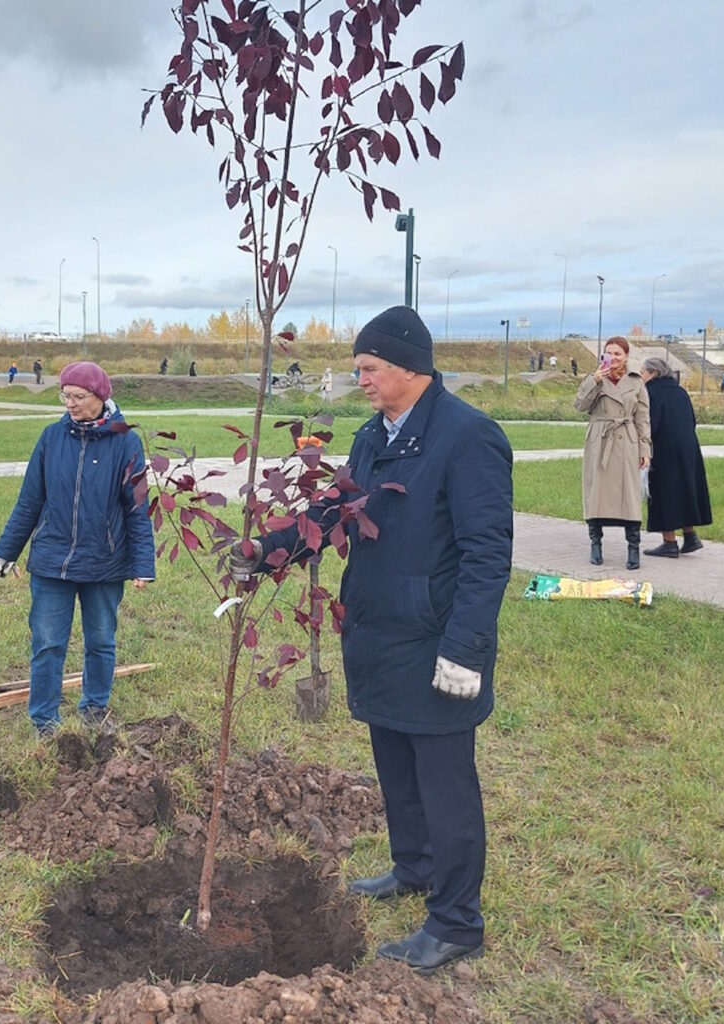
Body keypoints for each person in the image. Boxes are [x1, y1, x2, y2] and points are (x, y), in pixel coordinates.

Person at [231, 306, 513, 974]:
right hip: (376, 630)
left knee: (444, 782)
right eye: (358, 367)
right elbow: (334, 512)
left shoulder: (467, 437)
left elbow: (486, 553)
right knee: (394, 762)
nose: (358, 378)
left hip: (433, 639)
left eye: (368, 368)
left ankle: (454, 921)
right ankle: (412, 868)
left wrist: (464, 648)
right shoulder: (372, 435)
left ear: (410, 368)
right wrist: (268, 551)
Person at [0, 361, 155, 738]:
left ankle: (94, 707)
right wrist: (4, 552)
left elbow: (137, 506)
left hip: (104, 563)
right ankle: (44, 720)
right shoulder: (51, 438)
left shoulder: (126, 441)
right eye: (65, 395)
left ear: (101, 397)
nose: (70, 404)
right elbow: (29, 502)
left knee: (100, 641)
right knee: (47, 643)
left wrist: (143, 562)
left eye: (78, 397)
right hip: (51, 563)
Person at [574, 336, 651, 569]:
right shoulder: (594, 378)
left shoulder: (637, 382)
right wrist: (594, 381)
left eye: (618, 353)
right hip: (600, 441)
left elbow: (643, 419)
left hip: (626, 442)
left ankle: (633, 548)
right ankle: (595, 546)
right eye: (609, 353)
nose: (614, 358)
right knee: (595, 494)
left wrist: (645, 449)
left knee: (629, 496)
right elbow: (580, 406)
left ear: (627, 356)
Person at [640, 357, 712, 557]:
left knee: (664, 493)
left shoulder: (651, 393)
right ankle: (690, 537)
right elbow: (692, 420)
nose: (641, 377)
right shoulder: (681, 392)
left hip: (664, 450)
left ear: (654, 373)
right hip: (688, 448)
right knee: (685, 489)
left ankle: (669, 542)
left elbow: (650, 425)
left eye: (643, 373)